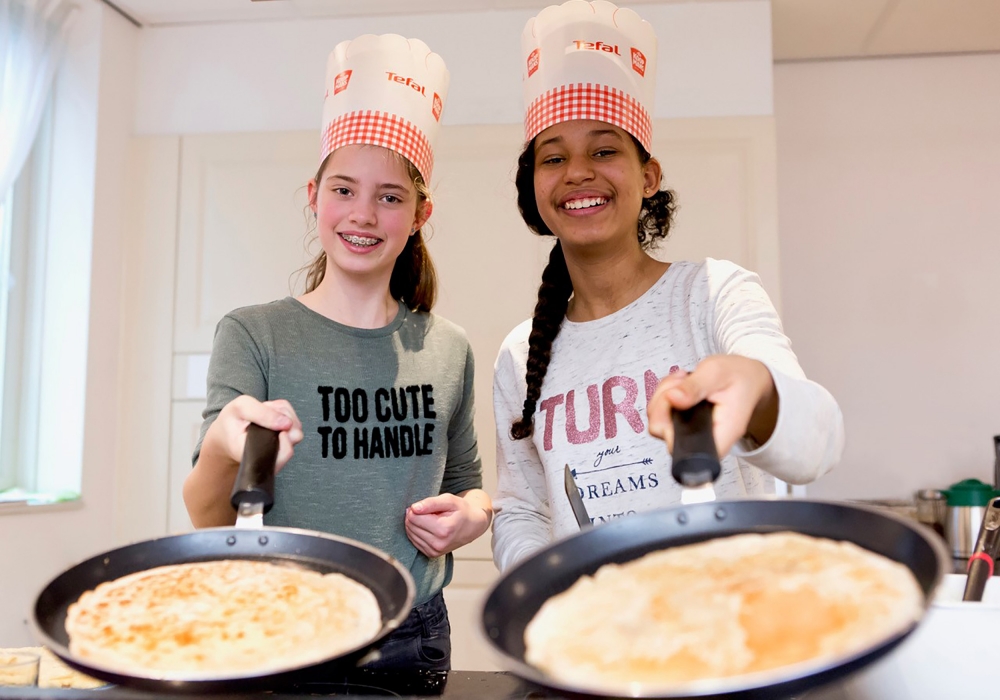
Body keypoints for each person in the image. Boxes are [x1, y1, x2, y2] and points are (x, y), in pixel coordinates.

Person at [491, 0, 844, 572]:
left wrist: (756, 385)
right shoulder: (518, 353)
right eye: (553, 158)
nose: (578, 171)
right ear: (535, 188)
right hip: (595, 639)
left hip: (726, 627)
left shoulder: (713, 293)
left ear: (649, 176)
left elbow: (817, 444)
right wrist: (545, 591)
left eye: (605, 150)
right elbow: (522, 509)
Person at [183, 33, 492, 671]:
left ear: (418, 214)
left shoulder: (448, 347)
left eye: (390, 196)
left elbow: (471, 489)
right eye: (344, 189)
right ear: (314, 196)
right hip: (282, 622)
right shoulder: (252, 334)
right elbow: (207, 516)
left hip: (414, 633)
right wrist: (223, 442)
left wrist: (468, 518)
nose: (364, 214)